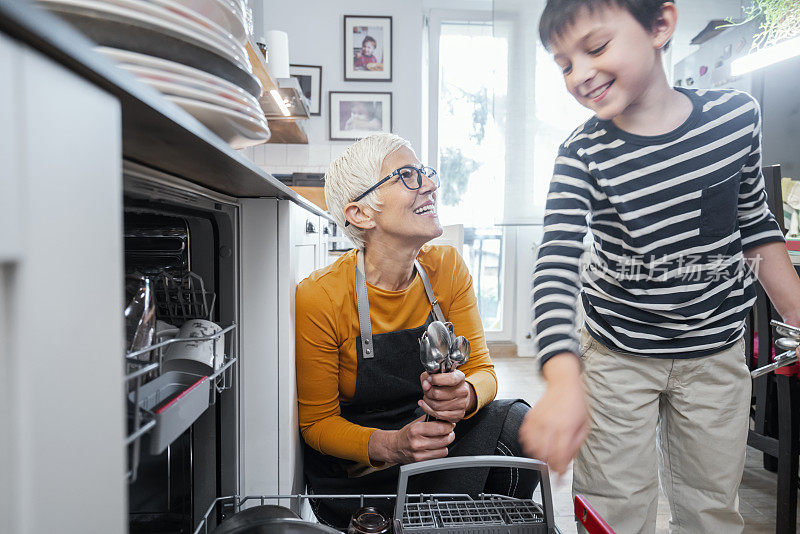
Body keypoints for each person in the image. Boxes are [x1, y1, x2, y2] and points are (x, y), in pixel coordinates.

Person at [519, 1, 800, 532]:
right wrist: (562, 378)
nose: (579, 74)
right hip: (617, 352)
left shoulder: (736, 118)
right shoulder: (582, 155)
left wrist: (797, 313)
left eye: (596, 48)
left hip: (715, 354)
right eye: (563, 64)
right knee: (612, 508)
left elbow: (755, 224)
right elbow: (555, 263)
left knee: (711, 508)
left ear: (660, 26)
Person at [296, 133, 536, 530]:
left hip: (433, 444)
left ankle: (488, 522)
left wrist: (467, 394)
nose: (429, 185)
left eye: (424, 173)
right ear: (361, 214)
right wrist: (391, 445)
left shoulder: (447, 266)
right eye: (407, 175)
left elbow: (483, 370)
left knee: (520, 425)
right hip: (363, 472)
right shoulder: (321, 296)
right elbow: (317, 425)